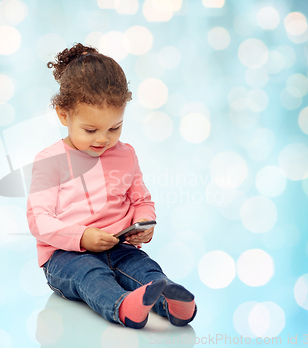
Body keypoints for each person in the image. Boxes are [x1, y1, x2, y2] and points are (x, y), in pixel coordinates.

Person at [26, 42, 197, 329]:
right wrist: (82, 237)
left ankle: (171, 301)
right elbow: (39, 221)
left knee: (143, 269)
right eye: (90, 130)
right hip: (65, 256)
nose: (103, 139)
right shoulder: (50, 160)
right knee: (91, 275)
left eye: (114, 128)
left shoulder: (126, 154)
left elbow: (141, 199)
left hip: (118, 246)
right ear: (64, 115)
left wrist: (143, 222)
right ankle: (121, 307)